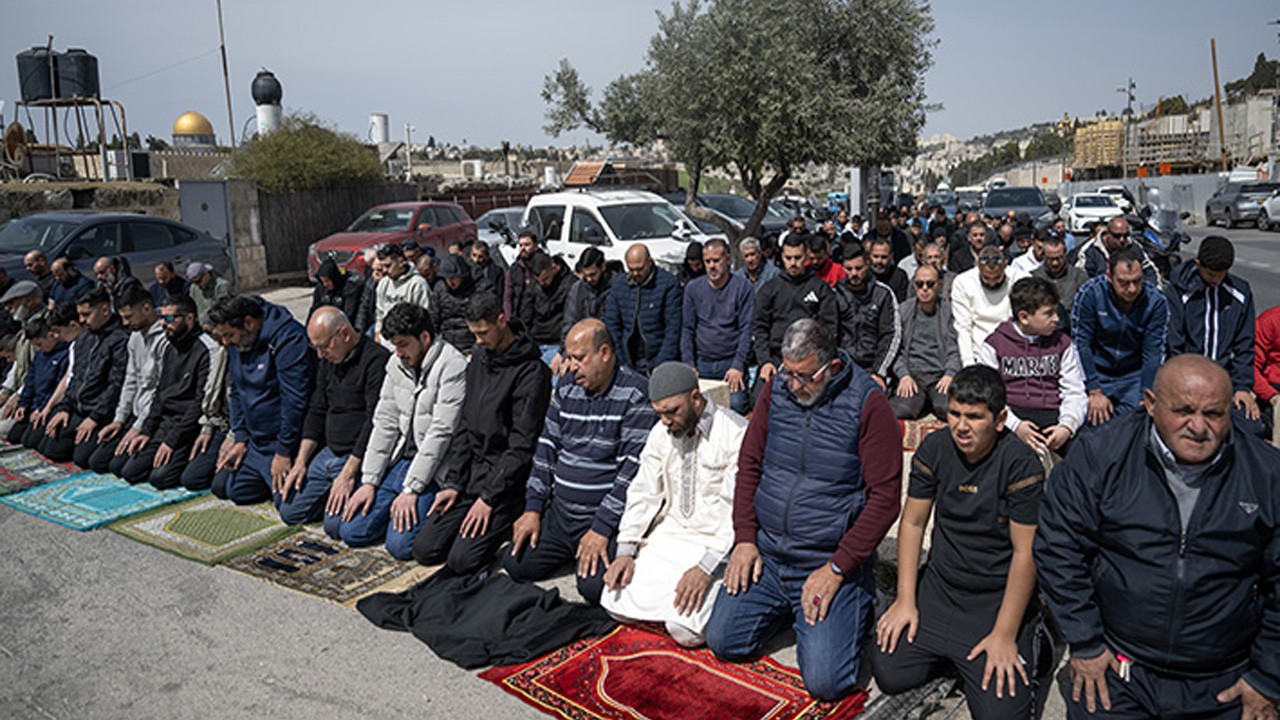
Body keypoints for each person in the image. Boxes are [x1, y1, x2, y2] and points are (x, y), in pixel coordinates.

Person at [1035, 355, 1280, 719]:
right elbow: (1059, 545)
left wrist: (1267, 679)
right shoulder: (1102, 455)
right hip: (1116, 671)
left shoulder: (1265, 474)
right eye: (1183, 410)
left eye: (1214, 414)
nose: (1198, 426)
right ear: (1150, 404)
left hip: (1222, 681)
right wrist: (1085, 643)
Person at [705, 319, 902, 701]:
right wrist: (745, 539)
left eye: (804, 376)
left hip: (827, 560)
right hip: (770, 554)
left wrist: (838, 567)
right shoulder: (776, 389)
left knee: (827, 682)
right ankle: (795, 610)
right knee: (723, 640)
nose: (793, 385)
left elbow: (885, 498)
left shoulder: (868, 403)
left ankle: (859, 599)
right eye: (788, 373)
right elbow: (750, 464)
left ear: (831, 367)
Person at [873, 366, 1047, 719]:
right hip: (941, 588)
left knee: (999, 714)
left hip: (994, 599)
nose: (961, 426)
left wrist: (1004, 633)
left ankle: (1035, 636)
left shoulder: (1021, 464)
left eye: (974, 417)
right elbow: (913, 521)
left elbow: (1024, 552)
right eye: (954, 413)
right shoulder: (935, 448)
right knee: (889, 671)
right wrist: (906, 600)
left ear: (1000, 420)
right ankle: (956, 659)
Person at [504, 319, 655, 603]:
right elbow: (547, 447)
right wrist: (533, 508)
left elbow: (630, 474)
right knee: (515, 563)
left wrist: (601, 528)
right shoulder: (566, 386)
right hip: (561, 515)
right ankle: (572, 551)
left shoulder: (635, 394)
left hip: (603, 517)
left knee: (594, 589)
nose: (571, 366)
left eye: (579, 358)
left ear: (605, 353)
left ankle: (596, 551)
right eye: (569, 357)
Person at [601, 361, 747, 647]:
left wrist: (705, 570)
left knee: (685, 631)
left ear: (695, 397)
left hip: (715, 547)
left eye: (672, 411)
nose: (666, 421)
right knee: (612, 600)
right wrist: (626, 550)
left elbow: (737, 511)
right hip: (670, 538)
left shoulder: (735, 433)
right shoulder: (660, 432)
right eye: (659, 413)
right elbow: (643, 491)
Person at [411, 293, 551, 575]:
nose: (478, 340)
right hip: (472, 476)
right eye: (473, 333)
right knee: (425, 549)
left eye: (483, 332)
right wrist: (453, 483)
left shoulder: (532, 372)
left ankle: (508, 519)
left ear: (502, 320)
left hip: (505, 484)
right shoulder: (479, 359)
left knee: (462, 561)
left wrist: (488, 499)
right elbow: (464, 426)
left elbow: (521, 447)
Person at [323, 303, 466, 559]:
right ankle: (390, 514)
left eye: (403, 344)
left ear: (424, 337)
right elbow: (384, 423)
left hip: (433, 470)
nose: (398, 352)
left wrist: (411, 490)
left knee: (400, 546)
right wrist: (369, 481)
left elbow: (440, 434)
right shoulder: (395, 364)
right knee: (346, 530)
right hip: (399, 461)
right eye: (394, 345)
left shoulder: (452, 365)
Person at [273, 307, 391, 525]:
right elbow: (317, 409)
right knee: (286, 506)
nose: (320, 354)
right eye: (315, 348)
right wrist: (301, 461)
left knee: (336, 525)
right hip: (328, 452)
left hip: (355, 456)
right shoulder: (329, 361)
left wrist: (348, 473)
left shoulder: (376, 360)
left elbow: (374, 422)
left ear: (344, 334)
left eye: (324, 346)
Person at [207, 296, 314, 515]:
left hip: (283, 442)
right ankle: (268, 479)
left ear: (249, 323)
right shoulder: (241, 342)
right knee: (231, 489)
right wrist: (240, 437)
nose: (225, 342)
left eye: (229, 335)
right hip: (256, 441)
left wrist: (284, 452)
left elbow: (294, 402)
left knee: (290, 510)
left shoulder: (289, 339)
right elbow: (236, 390)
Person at [118, 293, 223, 490]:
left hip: (189, 426)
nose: (164, 324)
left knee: (161, 478)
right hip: (165, 422)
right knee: (127, 470)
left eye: (169, 318)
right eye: (162, 318)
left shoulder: (205, 349)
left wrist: (172, 442)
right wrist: (146, 431)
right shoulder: (170, 347)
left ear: (190, 318)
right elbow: (160, 393)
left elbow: (200, 403)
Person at [1166, 236, 1262, 436]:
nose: (1216, 280)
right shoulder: (1179, 291)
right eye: (1210, 274)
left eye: (1221, 274)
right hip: (1187, 381)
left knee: (1251, 429)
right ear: (1198, 264)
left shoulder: (1240, 293)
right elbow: (1174, 344)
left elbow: (1245, 346)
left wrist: (1242, 387)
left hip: (1224, 382)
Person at [978, 277, 1086, 457]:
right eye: (1049, 313)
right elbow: (987, 394)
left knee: (1086, 452)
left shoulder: (1063, 344)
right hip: (1011, 414)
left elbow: (1074, 391)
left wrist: (1067, 426)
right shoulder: (994, 344)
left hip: (1054, 414)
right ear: (1024, 317)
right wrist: (1015, 425)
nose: (1057, 319)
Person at [1071, 249, 1168, 427]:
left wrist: (1143, 395)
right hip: (1097, 372)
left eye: (1137, 281)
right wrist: (1093, 390)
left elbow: (1153, 352)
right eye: (1124, 283)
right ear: (1109, 276)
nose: (1132, 289)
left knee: (1138, 424)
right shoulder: (1091, 294)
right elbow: (1081, 344)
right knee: (1091, 424)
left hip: (1133, 375)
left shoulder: (1155, 301)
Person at [39, 286, 130, 466]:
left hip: (101, 411)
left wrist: (95, 417)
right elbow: (76, 377)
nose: (82, 320)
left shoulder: (120, 339)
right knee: (48, 445)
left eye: (86, 315)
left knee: (84, 458)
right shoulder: (84, 339)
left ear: (104, 310)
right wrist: (65, 407)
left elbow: (116, 384)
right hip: (79, 407)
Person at [90, 284, 169, 475]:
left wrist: (139, 427)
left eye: (129, 317)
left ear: (147, 308)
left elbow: (158, 390)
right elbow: (130, 380)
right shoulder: (135, 337)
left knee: (124, 469)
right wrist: (119, 419)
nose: (125, 323)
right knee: (96, 460)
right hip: (136, 414)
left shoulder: (165, 339)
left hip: (153, 417)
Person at [751, 234, 839, 391]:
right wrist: (765, 361)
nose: (793, 263)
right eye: (789, 258)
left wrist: (814, 362)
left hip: (810, 361)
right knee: (760, 400)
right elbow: (760, 328)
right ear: (782, 257)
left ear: (806, 256)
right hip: (776, 358)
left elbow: (829, 330)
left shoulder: (820, 288)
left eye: (798, 257)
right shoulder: (769, 289)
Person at [681, 238, 754, 414]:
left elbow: (746, 329)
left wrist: (738, 365)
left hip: (730, 362)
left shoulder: (742, 287)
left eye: (716, 260)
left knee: (735, 408)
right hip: (702, 362)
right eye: (707, 261)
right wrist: (689, 364)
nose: (712, 266)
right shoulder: (693, 288)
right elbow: (687, 329)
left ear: (728, 259)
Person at [892, 264, 961, 420]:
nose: (924, 288)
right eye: (919, 284)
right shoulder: (903, 311)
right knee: (902, 410)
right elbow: (896, 349)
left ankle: (930, 401)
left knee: (949, 409)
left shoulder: (949, 311)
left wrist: (950, 374)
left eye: (930, 284)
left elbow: (955, 347)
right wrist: (903, 375)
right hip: (913, 375)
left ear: (939, 284)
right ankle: (922, 401)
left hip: (939, 375)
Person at [603, 244, 683, 375]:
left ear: (650, 262)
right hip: (628, 359)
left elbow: (673, 330)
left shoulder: (668, 284)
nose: (635, 274)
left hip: (657, 358)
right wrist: (621, 362)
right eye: (631, 269)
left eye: (640, 269)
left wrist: (661, 364)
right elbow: (612, 325)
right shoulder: (619, 284)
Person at [834, 244, 900, 389]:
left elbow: (891, 334)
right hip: (842, 365)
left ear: (867, 264)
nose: (853, 274)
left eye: (859, 268)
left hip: (873, 367)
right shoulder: (835, 294)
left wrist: (879, 372)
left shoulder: (883, 293)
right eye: (848, 269)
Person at [952, 244, 1027, 366]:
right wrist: (968, 363)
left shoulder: (1020, 279)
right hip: (979, 352)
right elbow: (963, 326)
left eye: (997, 277)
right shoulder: (963, 282)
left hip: (1014, 352)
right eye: (986, 278)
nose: (992, 282)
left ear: (1005, 265)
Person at [6, 315, 68, 447]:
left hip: (49, 406)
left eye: (40, 344)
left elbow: (58, 387)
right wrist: (23, 404)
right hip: (34, 405)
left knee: (31, 442)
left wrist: (42, 408)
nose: (39, 348)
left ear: (51, 336)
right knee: (14, 436)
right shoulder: (40, 355)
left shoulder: (65, 354)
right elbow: (30, 380)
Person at [1074, 216, 1159, 285]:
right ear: (1107, 233)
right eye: (1117, 236)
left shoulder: (1134, 247)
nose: (1122, 240)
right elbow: (1081, 281)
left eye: (1125, 235)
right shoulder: (1090, 251)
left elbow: (1150, 271)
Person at [374, 243, 430, 348]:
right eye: (382, 267)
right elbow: (380, 312)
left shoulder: (417, 284)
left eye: (388, 265)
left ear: (400, 262)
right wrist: (377, 332)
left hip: (408, 342)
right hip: (385, 341)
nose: (385, 271)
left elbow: (424, 316)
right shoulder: (383, 283)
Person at [430, 254, 488, 355]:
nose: (450, 281)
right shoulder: (440, 288)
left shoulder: (479, 286)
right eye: (447, 278)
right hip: (447, 343)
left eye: (454, 278)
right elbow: (433, 316)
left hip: (472, 342)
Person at [524, 252, 573, 370]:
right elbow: (526, 313)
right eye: (539, 281)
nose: (542, 284)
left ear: (554, 268)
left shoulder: (570, 284)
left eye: (545, 279)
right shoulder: (534, 285)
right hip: (536, 340)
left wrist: (563, 350)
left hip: (557, 343)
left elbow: (570, 318)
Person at [561, 247, 612, 344]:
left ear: (602, 267)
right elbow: (569, 321)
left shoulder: (615, 287)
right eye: (586, 275)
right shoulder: (577, 289)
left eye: (592, 275)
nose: (589, 279)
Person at [1031, 234, 1088, 319]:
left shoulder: (1079, 276)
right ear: (1043, 256)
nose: (1055, 263)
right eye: (1050, 259)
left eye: (1059, 258)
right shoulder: (1034, 278)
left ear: (1065, 254)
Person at [309, 258, 364, 327]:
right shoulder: (321, 289)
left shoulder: (349, 289)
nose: (325, 284)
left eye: (327, 281)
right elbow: (314, 309)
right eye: (323, 281)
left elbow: (349, 315)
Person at [503, 226, 540, 321]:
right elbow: (508, 297)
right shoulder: (514, 269)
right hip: (519, 318)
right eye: (520, 245)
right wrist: (509, 318)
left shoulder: (543, 265)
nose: (523, 248)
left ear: (535, 246)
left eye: (527, 245)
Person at [868, 236, 909, 302]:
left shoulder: (899, 276)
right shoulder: (865, 275)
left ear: (891, 256)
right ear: (870, 256)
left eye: (884, 257)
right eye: (876, 256)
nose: (879, 261)